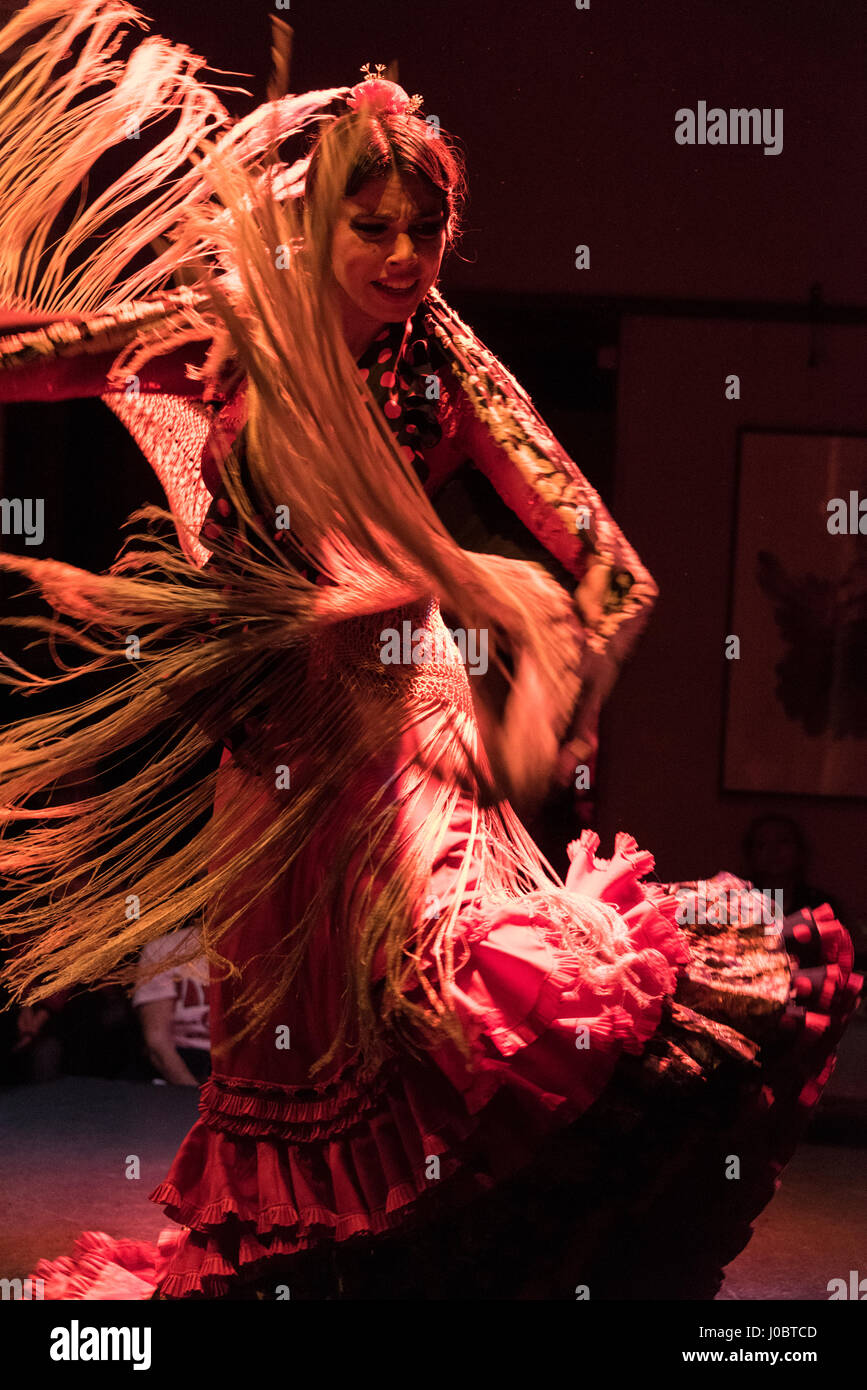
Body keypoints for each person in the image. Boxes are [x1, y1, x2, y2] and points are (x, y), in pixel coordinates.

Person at [0, 1, 860, 1300]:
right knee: (277, 1055)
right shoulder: (227, 331)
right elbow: (50, 361)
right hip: (263, 762)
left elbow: (607, 566)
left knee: (443, 1012)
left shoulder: (435, 373)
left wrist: (546, 706)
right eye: (373, 226)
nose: (405, 255)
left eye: (427, 229)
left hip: (393, 746)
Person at [132, 924, 211, 1087]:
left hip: (242, 1068)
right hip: (187, 1061)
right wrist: (193, 1095)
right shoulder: (164, 949)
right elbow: (157, 1042)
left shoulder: (266, 949)